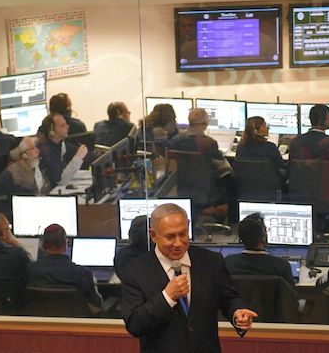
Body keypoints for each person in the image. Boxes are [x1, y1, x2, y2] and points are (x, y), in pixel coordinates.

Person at [120, 203, 257, 352]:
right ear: (153, 235)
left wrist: (237, 312)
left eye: (183, 234)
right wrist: (167, 297)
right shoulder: (135, 272)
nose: (178, 243)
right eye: (170, 237)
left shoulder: (211, 262)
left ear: (189, 227)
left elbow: (229, 298)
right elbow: (135, 325)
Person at [26, 224, 103, 313]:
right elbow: (96, 307)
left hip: (41, 324)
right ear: (65, 243)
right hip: (75, 324)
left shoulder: (31, 269)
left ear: (43, 244)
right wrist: (94, 282)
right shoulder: (83, 273)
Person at [170, 108, 234, 215]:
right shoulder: (207, 143)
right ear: (206, 122)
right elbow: (225, 168)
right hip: (205, 192)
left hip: (179, 188)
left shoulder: (175, 140)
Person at [224, 213, 295, 288]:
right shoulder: (282, 266)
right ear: (263, 237)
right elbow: (291, 297)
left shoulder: (227, 264)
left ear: (241, 237)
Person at [289, 103, 329, 178]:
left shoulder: (295, 141)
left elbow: (290, 169)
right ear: (321, 121)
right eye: (328, 118)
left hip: (298, 188)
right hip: (324, 188)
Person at [0, 136, 51, 218]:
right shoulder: (14, 177)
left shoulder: (30, 168)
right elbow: (25, 207)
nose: (38, 150)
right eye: (33, 148)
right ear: (23, 155)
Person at [36, 113, 88, 187]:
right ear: (51, 131)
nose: (68, 126)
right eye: (62, 125)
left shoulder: (60, 142)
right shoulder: (45, 151)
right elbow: (61, 180)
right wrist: (78, 157)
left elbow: (75, 150)